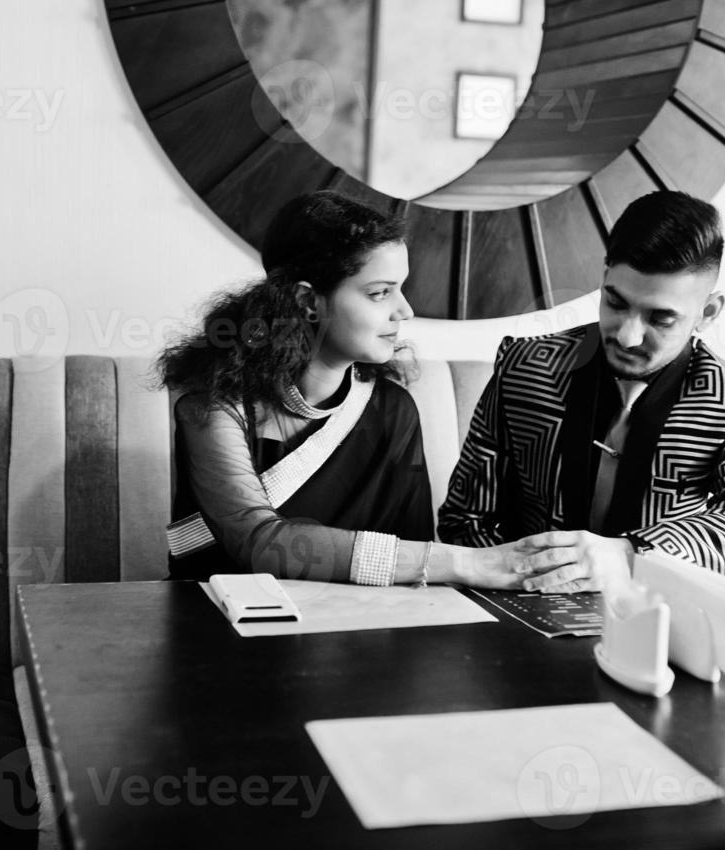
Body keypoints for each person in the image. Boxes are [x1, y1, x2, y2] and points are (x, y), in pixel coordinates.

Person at [159, 190, 528, 588]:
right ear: (307, 301)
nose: (405, 310)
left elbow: (414, 559)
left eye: (400, 288)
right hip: (220, 623)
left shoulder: (393, 409)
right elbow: (256, 541)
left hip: (354, 629)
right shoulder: (215, 404)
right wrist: (468, 563)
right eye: (379, 292)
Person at [438, 190, 725, 595]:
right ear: (603, 281)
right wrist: (530, 582)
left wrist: (630, 556)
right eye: (615, 303)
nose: (627, 335)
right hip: (522, 608)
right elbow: (463, 520)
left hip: (655, 613)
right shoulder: (525, 367)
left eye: (661, 318)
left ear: (707, 313)